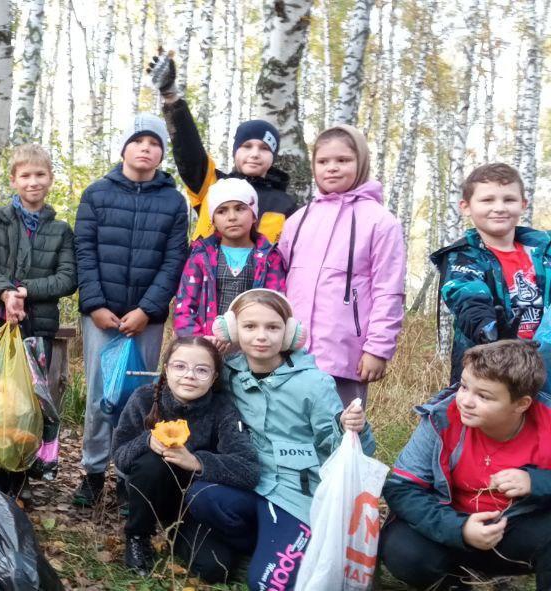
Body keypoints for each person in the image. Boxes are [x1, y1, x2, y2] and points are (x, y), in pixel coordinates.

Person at [182, 289, 371, 589]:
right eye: (249, 326)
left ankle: (285, 541)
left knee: (269, 584)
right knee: (201, 497)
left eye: (272, 327)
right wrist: (207, 352)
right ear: (232, 330)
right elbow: (184, 383)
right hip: (248, 482)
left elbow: (347, 451)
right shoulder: (228, 372)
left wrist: (352, 427)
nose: (261, 336)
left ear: (290, 333)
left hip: (295, 495)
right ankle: (259, 544)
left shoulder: (314, 383)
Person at [73, 113, 190, 506]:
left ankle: (126, 474)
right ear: (124, 147)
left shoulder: (173, 202)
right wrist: (95, 306)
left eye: (154, 143)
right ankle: (92, 473)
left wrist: (147, 309)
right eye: (138, 140)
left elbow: (174, 260)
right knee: (99, 396)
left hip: (146, 321)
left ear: (161, 154)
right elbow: (84, 252)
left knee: (138, 397)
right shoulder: (97, 194)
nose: (146, 148)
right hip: (102, 318)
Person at [382, 340, 551, 590]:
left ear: (521, 404)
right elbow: (401, 488)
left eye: (483, 396)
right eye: (464, 387)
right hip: (450, 529)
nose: (465, 401)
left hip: (517, 532)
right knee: (401, 549)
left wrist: (535, 482)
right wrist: (459, 529)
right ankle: (455, 584)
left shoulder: (546, 422)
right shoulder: (441, 418)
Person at [0, 143, 76, 502]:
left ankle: (24, 473)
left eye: (40, 174)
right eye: (25, 175)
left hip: (37, 327)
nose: (33, 182)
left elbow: (67, 278)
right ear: (13, 180)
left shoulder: (60, 230)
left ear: (50, 179)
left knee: (31, 402)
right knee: (0, 402)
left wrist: (24, 291)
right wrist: (6, 294)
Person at [276, 125, 406, 406]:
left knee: (340, 430)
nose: (332, 168)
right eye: (323, 161)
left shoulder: (381, 222)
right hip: (291, 350)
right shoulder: (298, 220)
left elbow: (389, 291)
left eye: (343, 161)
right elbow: (277, 281)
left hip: (345, 351)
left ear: (360, 163)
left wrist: (378, 349)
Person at [111, 337, 258, 574]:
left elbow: (248, 469)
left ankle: (177, 533)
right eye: (180, 366)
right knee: (152, 463)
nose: (189, 375)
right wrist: (146, 441)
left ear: (214, 377)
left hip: (197, 503)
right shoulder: (143, 398)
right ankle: (138, 536)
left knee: (213, 569)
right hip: (155, 491)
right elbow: (119, 456)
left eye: (201, 370)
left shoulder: (222, 408)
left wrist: (198, 462)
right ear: (166, 369)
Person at [148, 49, 297, 242]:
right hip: (202, 272)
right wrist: (170, 96)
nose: (254, 154)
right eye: (247, 146)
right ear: (235, 151)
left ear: (273, 157)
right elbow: (189, 151)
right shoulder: (211, 185)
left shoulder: (287, 205)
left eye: (264, 149)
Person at [431, 163, 550, 383]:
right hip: (490, 372)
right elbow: (467, 299)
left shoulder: (545, 251)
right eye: (487, 200)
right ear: (466, 207)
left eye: (509, 199)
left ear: (523, 204)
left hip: (545, 369)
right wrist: (491, 332)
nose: (499, 208)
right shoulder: (462, 257)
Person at [173, 177, 287, 341]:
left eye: (240, 209)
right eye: (222, 211)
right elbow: (185, 306)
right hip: (206, 347)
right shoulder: (201, 255)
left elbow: (275, 306)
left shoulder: (270, 257)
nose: (232, 217)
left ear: (254, 215)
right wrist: (199, 342)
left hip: (253, 348)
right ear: (213, 220)